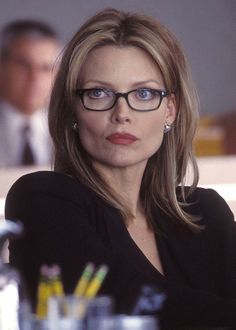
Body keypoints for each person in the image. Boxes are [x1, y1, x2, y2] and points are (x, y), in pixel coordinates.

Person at [5, 8, 236, 329]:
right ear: (72, 109)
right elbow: (124, 300)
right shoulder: (40, 198)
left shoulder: (207, 213)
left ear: (170, 110)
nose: (122, 112)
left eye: (144, 93)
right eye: (99, 93)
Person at [0, 19, 60, 167]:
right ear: (2, 68)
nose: (35, 78)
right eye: (24, 65)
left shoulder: (72, 131)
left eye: (45, 68)